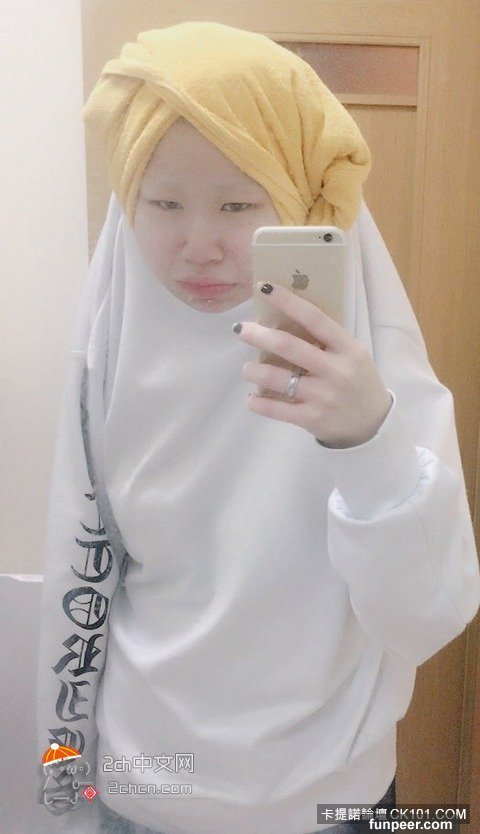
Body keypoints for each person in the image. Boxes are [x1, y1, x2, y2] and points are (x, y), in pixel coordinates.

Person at [36, 20, 479, 834]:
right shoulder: (116, 332)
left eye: (239, 204)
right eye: (162, 203)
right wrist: (64, 781)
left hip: (333, 798)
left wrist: (369, 442)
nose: (198, 246)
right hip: (144, 786)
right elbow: (79, 570)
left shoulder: (371, 361)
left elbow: (428, 617)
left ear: (302, 205)